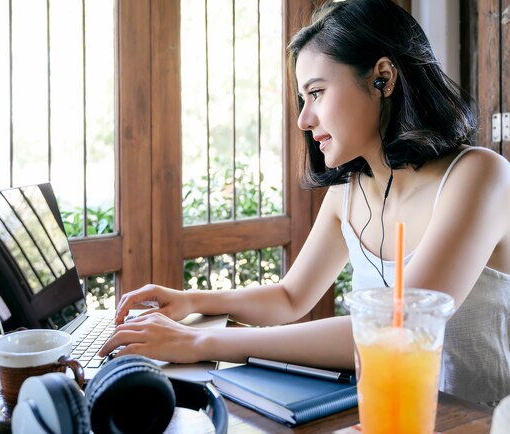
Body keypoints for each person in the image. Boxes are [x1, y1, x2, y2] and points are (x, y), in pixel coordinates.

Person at [100, 0, 510, 405]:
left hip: (479, 422)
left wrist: (198, 339)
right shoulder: (347, 192)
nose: (303, 118)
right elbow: (290, 297)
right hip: (380, 413)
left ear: (382, 78)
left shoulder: (479, 176)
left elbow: (395, 329)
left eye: (317, 92)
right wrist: (192, 300)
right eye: (303, 98)